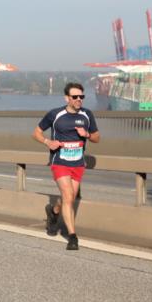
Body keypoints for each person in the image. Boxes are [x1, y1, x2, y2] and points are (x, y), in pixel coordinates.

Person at [33, 82, 100, 251]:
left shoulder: (87, 115)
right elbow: (36, 133)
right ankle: (72, 236)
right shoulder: (55, 114)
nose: (79, 100)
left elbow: (97, 138)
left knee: (67, 198)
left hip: (78, 163)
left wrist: (87, 135)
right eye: (75, 97)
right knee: (69, 195)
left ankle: (54, 212)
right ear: (67, 98)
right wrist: (48, 142)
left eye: (81, 97)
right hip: (59, 162)